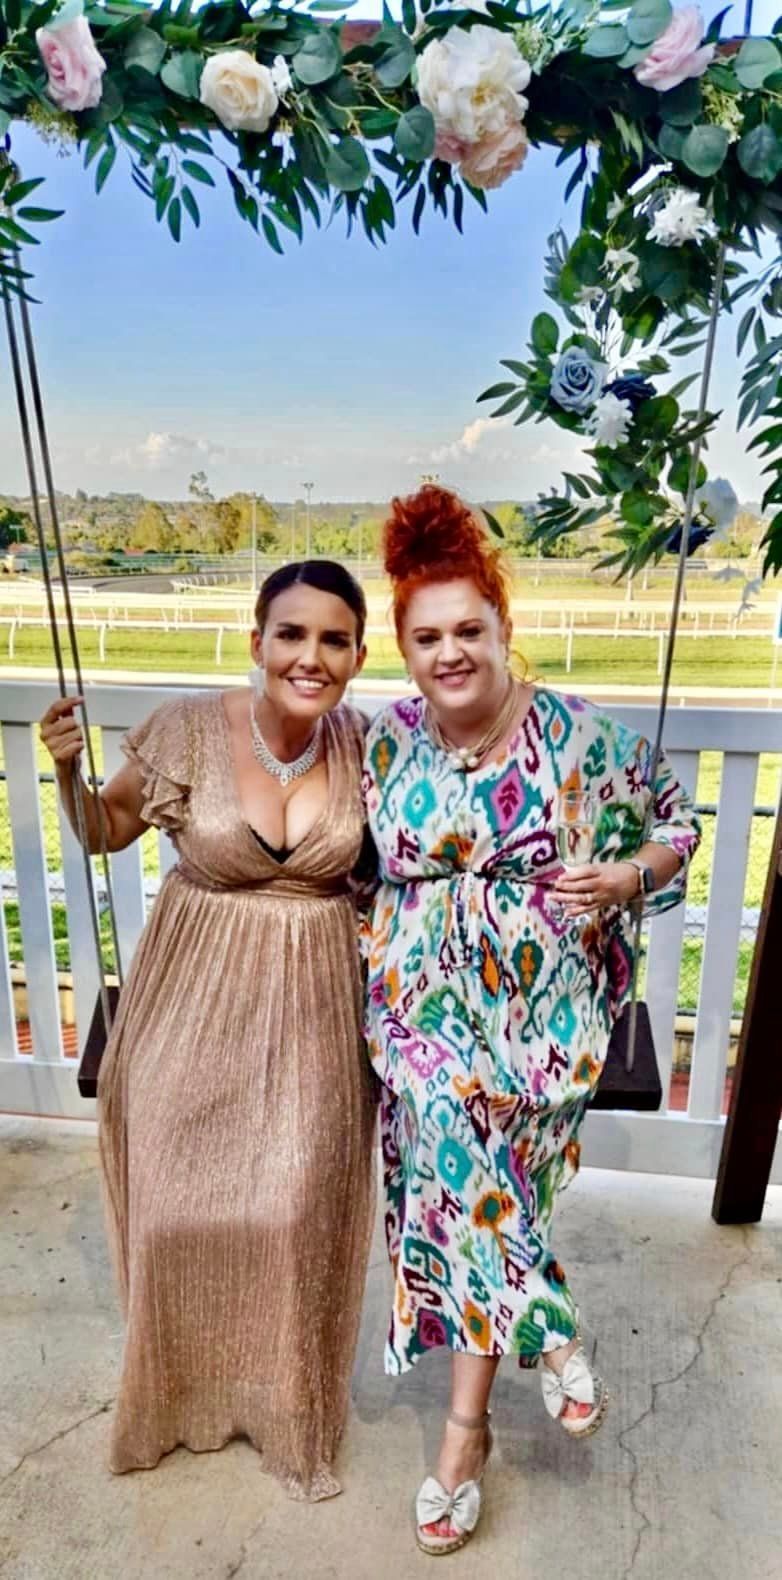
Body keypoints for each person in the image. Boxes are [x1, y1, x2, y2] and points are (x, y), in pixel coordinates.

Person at [361, 485, 701, 1554]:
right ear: (403, 650)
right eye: (425, 637)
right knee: (449, 1120)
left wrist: (623, 876)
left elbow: (674, 822)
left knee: (472, 1198)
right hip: (417, 995)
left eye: (468, 629)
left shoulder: (575, 735)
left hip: (547, 1006)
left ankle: (468, 1428)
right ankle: (534, 1339)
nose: (448, 652)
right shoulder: (382, 742)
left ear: (505, 627)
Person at [40, 561, 377, 1502]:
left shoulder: (366, 745)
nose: (311, 657)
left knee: (296, 1207)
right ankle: (183, 1392)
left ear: (356, 654)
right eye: (292, 634)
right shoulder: (186, 728)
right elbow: (105, 829)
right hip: (194, 988)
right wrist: (69, 767)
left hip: (314, 1000)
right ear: (257, 639)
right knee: (179, 1203)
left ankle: (283, 1406)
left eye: (334, 640)